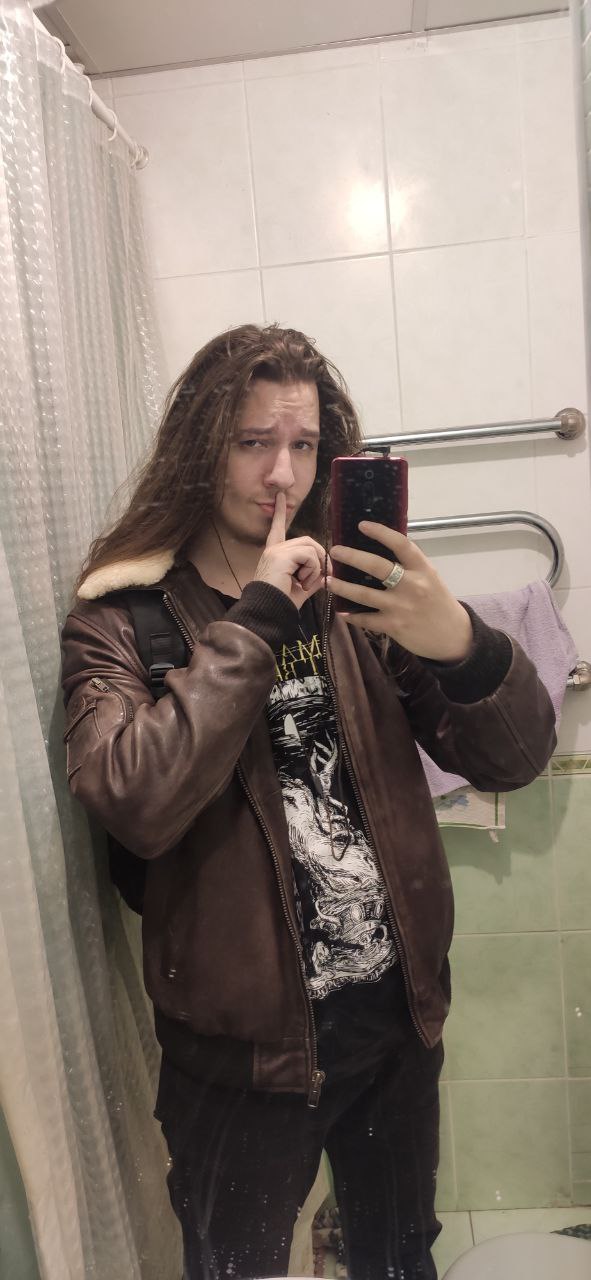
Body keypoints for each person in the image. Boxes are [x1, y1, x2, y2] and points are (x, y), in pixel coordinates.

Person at [60, 324, 556, 1280]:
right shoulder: (122, 617)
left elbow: (514, 759)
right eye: (252, 442)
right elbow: (135, 799)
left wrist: (460, 642)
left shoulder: (356, 601)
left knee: (397, 1259)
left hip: (393, 1028)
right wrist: (256, 618)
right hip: (242, 1061)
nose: (282, 474)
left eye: (303, 444)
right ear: (201, 449)